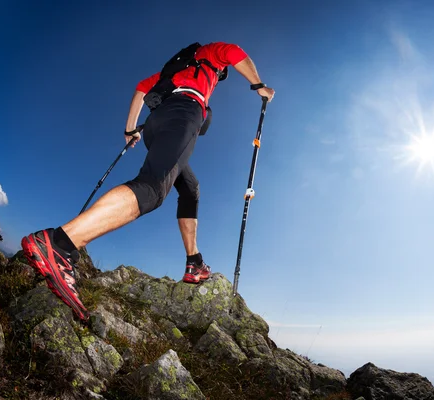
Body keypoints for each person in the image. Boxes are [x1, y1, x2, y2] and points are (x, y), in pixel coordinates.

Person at [21, 42, 275, 322]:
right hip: (184, 112)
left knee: (190, 187)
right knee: (153, 188)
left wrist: (130, 129)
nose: (221, 76)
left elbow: (142, 87)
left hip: (156, 124)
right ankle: (60, 243)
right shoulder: (210, 56)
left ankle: (194, 262)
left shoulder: (173, 71)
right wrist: (259, 85)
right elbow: (235, 53)